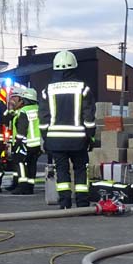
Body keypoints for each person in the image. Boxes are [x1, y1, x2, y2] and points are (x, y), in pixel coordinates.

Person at [42, 50, 96, 209]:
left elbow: (44, 118)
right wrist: (91, 137)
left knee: (62, 171)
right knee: (80, 170)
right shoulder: (83, 88)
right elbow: (89, 117)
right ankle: (82, 203)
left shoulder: (48, 90)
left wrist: (46, 138)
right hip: (78, 140)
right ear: (74, 66)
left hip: (55, 140)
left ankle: (65, 203)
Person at [16, 85, 43, 194]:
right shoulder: (39, 109)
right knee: (33, 164)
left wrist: (18, 142)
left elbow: (22, 128)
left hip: (28, 143)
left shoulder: (24, 111)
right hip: (38, 143)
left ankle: (23, 187)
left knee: (20, 162)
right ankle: (30, 187)